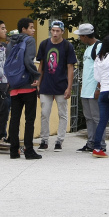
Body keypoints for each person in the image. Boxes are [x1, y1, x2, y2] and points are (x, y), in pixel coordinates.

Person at [35, 20, 77, 151]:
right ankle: (44, 140)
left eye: (57, 31)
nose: (54, 33)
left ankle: (59, 140)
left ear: (62, 32)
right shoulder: (44, 44)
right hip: (46, 84)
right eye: (53, 30)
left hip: (61, 84)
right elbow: (41, 65)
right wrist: (38, 82)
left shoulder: (67, 46)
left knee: (62, 114)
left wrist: (69, 87)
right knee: (44, 113)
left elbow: (70, 67)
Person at [6, 18, 42, 160]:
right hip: (27, 85)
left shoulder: (11, 41)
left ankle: (14, 151)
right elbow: (28, 61)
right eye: (31, 27)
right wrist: (36, 75)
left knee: (14, 119)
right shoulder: (29, 41)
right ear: (24, 29)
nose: (33, 30)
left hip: (14, 86)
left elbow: (8, 61)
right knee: (29, 119)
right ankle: (29, 150)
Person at [76, 23, 104, 153]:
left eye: (81, 36)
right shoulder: (88, 48)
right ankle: (91, 142)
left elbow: (103, 69)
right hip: (86, 90)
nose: (80, 39)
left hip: (94, 89)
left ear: (86, 36)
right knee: (89, 118)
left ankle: (100, 144)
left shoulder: (99, 47)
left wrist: (98, 88)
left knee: (97, 118)